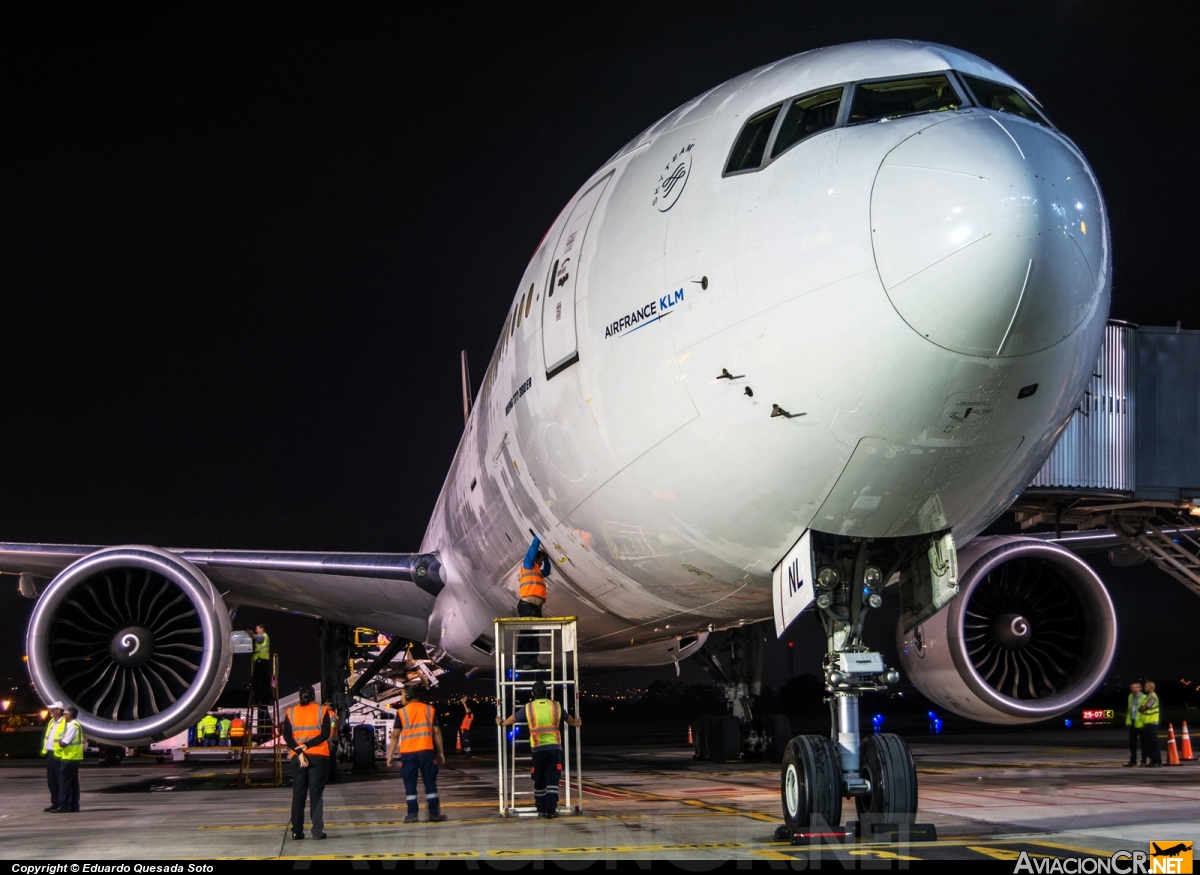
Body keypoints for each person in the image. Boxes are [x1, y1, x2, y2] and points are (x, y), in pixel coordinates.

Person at [495, 680, 581, 818]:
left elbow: (513, 718)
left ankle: (541, 808)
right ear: (547, 692)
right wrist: (577, 723)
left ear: (532, 693)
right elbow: (569, 719)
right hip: (554, 749)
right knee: (552, 780)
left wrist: (501, 723)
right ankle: (551, 810)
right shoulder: (556, 706)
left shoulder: (529, 707)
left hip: (537, 749)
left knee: (539, 779)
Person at [386, 685, 446, 823]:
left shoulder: (401, 712)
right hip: (426, 751)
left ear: (408, 695)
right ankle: (434, 814)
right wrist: (441, 752)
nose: (401, 698)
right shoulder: (429, 709)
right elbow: (436, 732)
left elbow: (395, 735)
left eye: (402, 695)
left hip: (408, 753)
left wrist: (390, 755)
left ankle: (412, 815)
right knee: (430, 783)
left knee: (409, 784)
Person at [281, 684, 333, 841]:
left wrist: (299, 750)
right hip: (318, 756)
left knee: (298, 795)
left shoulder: (291, 712)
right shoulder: (322, 710)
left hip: (298, 758)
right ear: (313, 696)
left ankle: (297, 832)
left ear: (299, 696)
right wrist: (308, 745)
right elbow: (325, 734)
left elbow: (287, 737)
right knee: (316, 795)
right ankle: (317, 832)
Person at [53, 706, 83, 813]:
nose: (64, 715)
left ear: (69, 715)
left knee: (63, 782)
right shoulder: (76, 725)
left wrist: (60, 742)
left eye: (65, 714)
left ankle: (63, 805)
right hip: (74, 757)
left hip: (70, 757)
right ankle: (74, 806)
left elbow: (64, 743)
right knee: (73, 782)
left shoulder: (72, 726)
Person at [518, 535, 552, 618]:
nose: (541, 564)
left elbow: (547, 572)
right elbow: (532, 551)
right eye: (541, 561)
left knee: (534, 630)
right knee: (528, 630)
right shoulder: (528, 565)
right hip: (527, 607)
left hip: (535, 608)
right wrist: (538, 536)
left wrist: (546, 559)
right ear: (535, 559)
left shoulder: (537, 572)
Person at [41, 701, 65, 812]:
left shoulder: (65, 722)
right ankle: (55, 802)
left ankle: (62, 803)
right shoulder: (52, 721)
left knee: (61, 781)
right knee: (51, 780)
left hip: (60, 755)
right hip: (50, 753)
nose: (50, 710)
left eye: (53, 709)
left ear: (59, 711)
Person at [1139, 681, 1162, 767]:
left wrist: (1141, 708)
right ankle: (1153, 760)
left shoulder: (1152, 697)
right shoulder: (1147, 697)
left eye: (1146, 687)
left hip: (1152, 723)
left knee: (1153, 743)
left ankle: (1157, 761)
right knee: (1149, 743)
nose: (1144, 688)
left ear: (1151, 688)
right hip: (1147, 723)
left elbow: (1143, 708)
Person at [250, 624, 272, 705]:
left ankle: (257, 699)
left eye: (257, 629)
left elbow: (254, 637)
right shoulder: (266, 636)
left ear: (262, 629)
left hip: (261, 661)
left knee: (257, 681)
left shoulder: (262, 636)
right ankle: (266, 699)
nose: (256, 630)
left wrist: (248, 631)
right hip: (266, 661)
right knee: (265, 682)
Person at [1125, 681, 1143, 767]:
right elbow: (1129, 710)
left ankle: (1143, 761)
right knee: (1132, 743)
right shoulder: (1130, 696)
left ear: (1139, 688)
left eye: (1135, 687)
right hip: (1132, 722)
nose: (1133, 689)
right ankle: (1133, 761)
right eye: (1132, 688)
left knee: (1143, 743)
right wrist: (1127, 721)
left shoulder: (1144, 697)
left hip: (1141, 723)